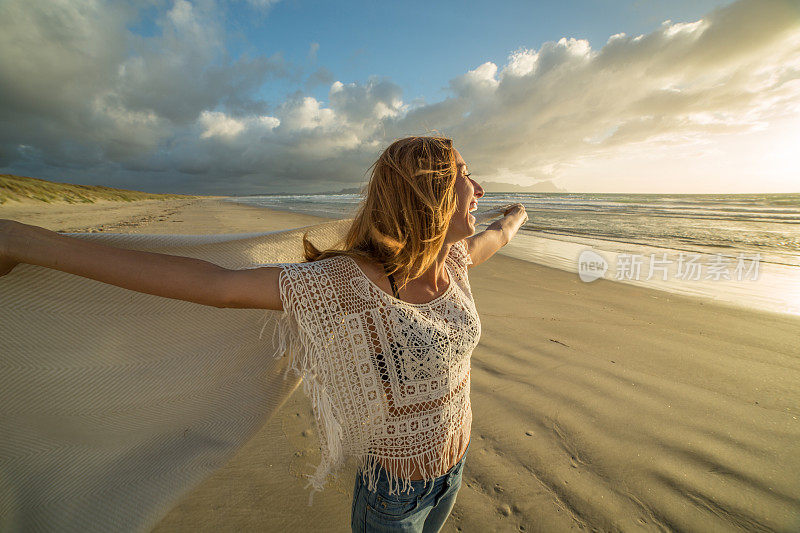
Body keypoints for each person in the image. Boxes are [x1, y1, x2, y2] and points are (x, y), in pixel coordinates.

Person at [0, 135, 528, 533]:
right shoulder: (351, 281)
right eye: (464, 174)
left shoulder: (454, 261)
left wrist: (514, 218)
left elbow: (496, 238)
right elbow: (217, 285)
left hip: (453, 470)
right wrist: (28, 243)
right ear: (428, 189)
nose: (478, 188)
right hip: (396, 496)